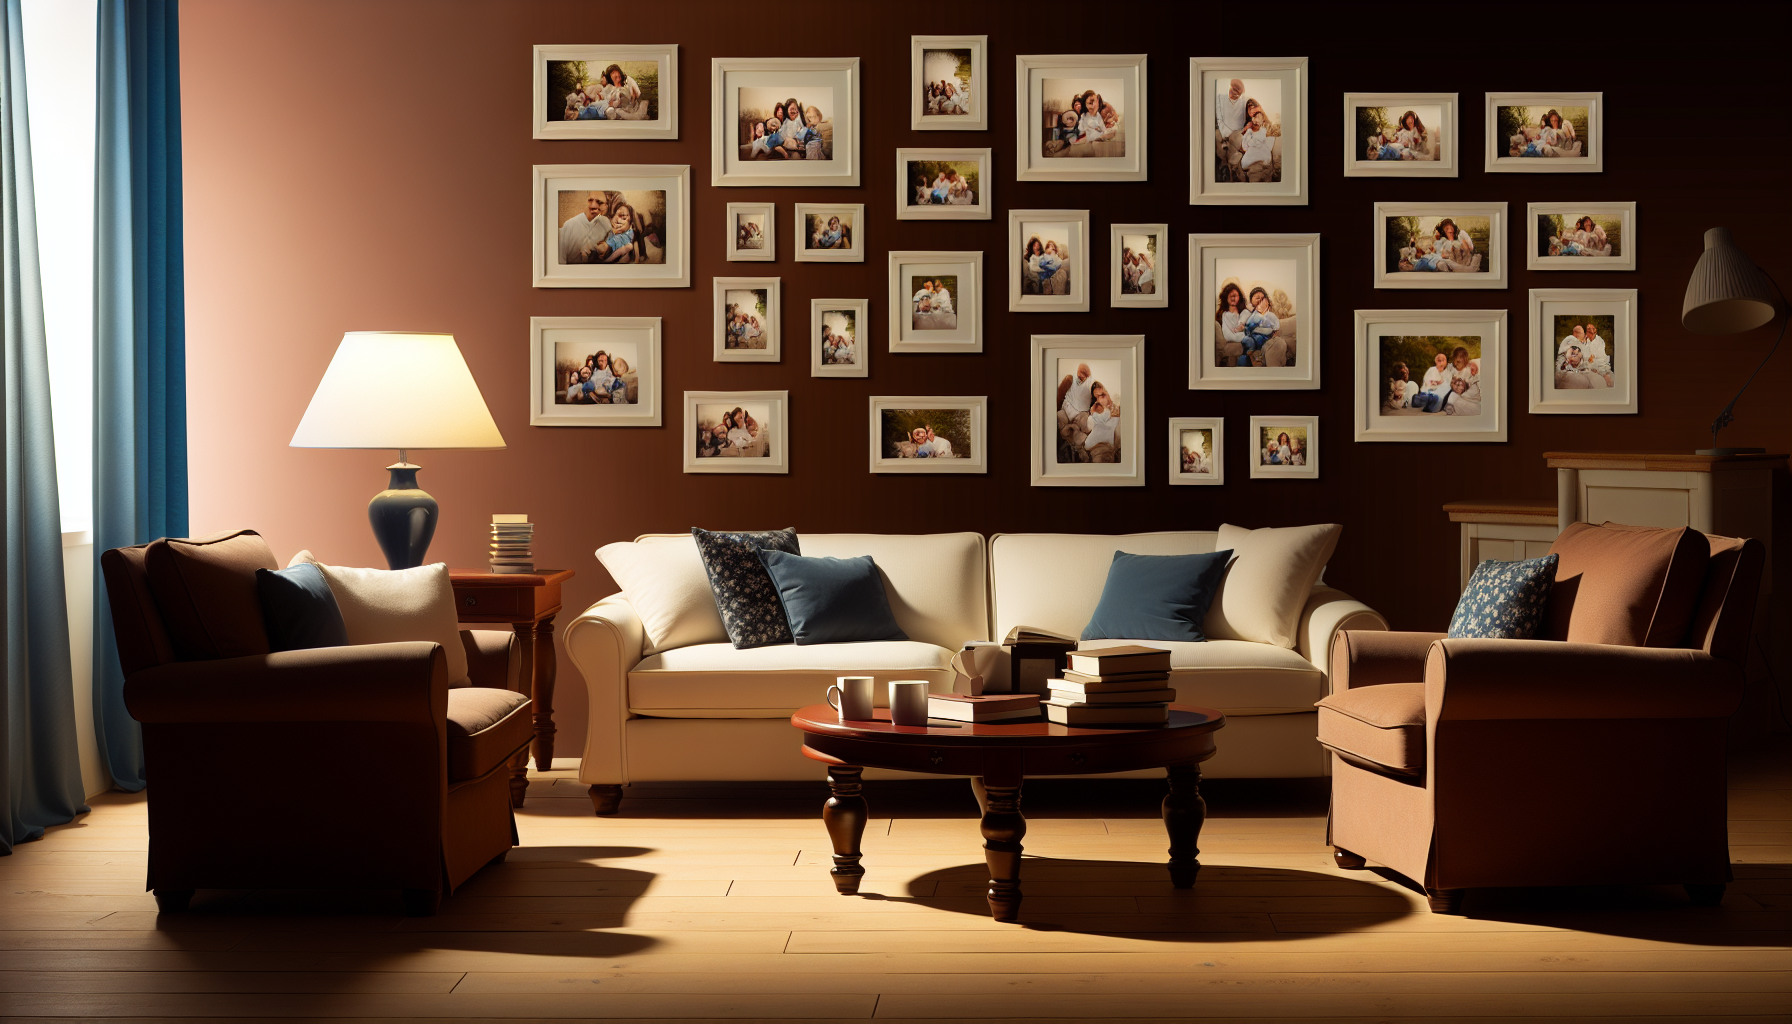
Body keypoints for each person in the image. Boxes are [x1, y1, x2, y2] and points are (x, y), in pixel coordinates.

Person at [558, 192, 611, 264]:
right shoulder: (569, 225)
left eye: (599, 202)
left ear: (606, 206)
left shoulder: (606, 223)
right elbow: (560, 260)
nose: (593, 205)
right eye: (590, 200)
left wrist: (607, 248)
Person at [1236, 287, 1279, 366]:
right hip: (1252, 338)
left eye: (1263, 299)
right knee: (1247, 343)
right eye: (1257, 298)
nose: (1260, 300)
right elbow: (1248, 327)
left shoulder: (1270, 315)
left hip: (1264, 338)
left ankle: (1253, 357)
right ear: (1251, 302)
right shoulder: (1250, 314)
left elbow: (1274, 328)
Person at [1057, 362, 1096, 444]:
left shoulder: (1091, 384)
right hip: (1066, 411)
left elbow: (1094, 401)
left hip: (1081, 416)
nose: (1080, 375)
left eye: (1083, 374)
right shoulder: (1070, 379)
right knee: (1060, 418)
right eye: (1079, 372)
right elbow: (1060, 395)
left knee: (1086, 427)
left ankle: (1081, 443)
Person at [1083, 384, 1119, 462]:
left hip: (1106, 447)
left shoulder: (1114, 411)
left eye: (1102, 395)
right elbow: (1090, 426)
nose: (1099, 401)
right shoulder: (1097, 413)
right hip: (1094, 446)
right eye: (1096, 398)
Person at [1216, 282, 1249, 363]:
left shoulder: (1245, 313)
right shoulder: (1223, 315)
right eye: (1230, 296)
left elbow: (1251, 329)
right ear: (1226, 298)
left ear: (1239, 297)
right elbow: (1228, 336)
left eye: (1235, 295)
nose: (1233, 298)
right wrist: (1244, 335)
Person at [1238, 99, 1274, 172]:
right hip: (1250, 151)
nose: (1252, 111)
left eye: (1253, 108)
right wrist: (1247, 130)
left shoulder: (1263, 123)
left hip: (1261, 151)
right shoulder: (1249, 124)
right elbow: (1244, 140)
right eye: (1250, 109)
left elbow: (1267, 139)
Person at [1442, 347, 1479, 416]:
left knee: (1453, 396)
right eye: (1454, 361)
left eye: (1458, 362)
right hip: (1457, 394)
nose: (1455, 364)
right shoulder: (1453, 367)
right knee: (1449, 396)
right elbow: (1446, 366)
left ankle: (1455, 406)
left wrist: (1462, 388)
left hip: (1469, 397)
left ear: (1465, 361)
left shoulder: (1468, 371)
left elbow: (1472, 391)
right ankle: (1450, 407)